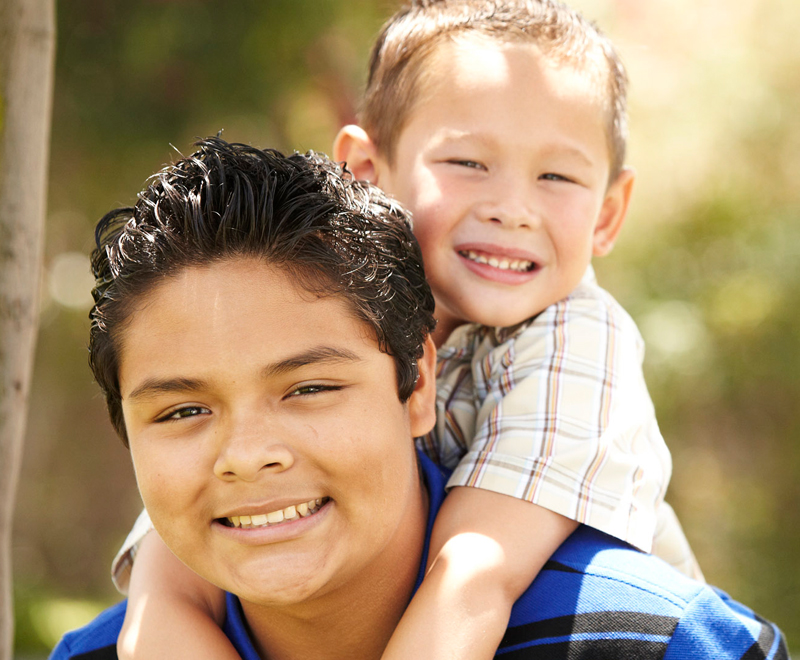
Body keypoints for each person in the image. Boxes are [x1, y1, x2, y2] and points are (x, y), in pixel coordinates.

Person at [113, 2, 711, 659]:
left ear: (607, 212)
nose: (512, 209)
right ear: (366, 169)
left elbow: (472, 579)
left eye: (557, 177)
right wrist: (158, 601)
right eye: (467, 163)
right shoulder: (317, 311)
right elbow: (168, 583)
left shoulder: (579, 341)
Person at [50, 138, 789, 660]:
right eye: (183, 411)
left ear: (418, 385)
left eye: (309, 388)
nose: (248, 456)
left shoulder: (652, 644)